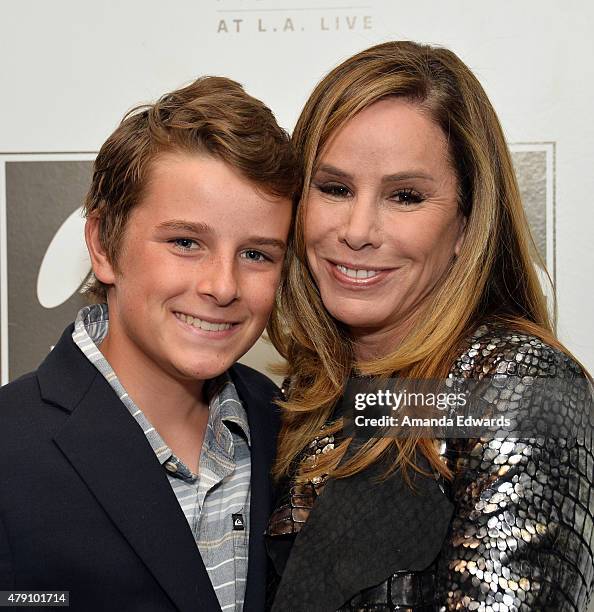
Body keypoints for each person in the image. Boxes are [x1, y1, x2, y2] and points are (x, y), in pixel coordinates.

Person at [265, 41, 594, 611]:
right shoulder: (305, 392)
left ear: (468, 223)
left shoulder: (513, 386)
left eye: (406, 196)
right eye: (334, 188)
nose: (359, 229)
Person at [0, 76, 297, 611]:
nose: (222, 286)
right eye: (185, 242)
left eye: (257, 254)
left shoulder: (293, 429)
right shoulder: (7, 445)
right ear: (103, 246)